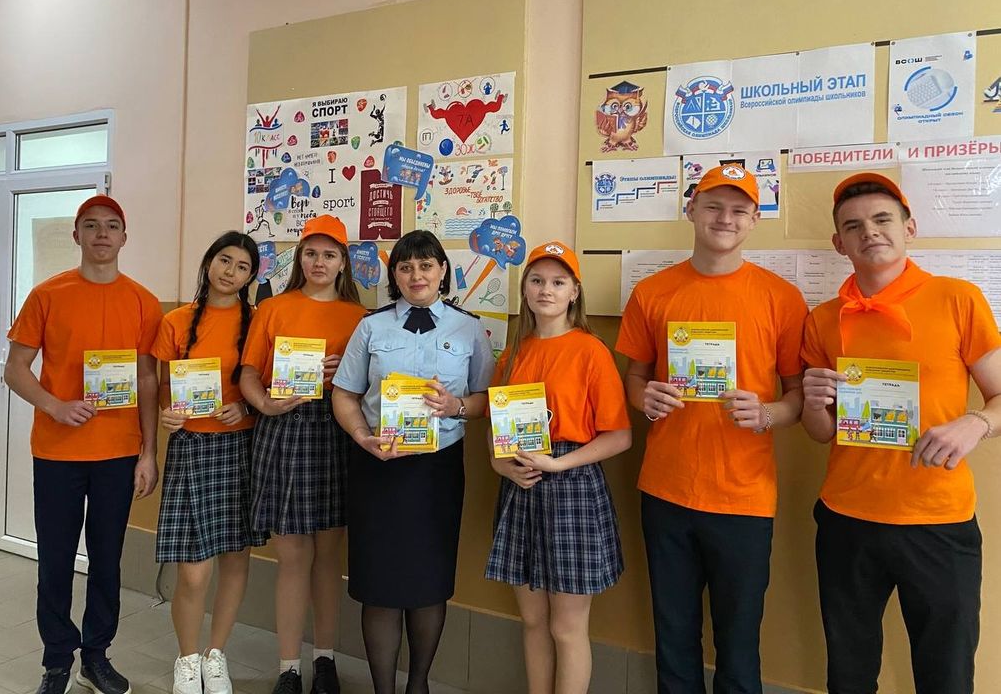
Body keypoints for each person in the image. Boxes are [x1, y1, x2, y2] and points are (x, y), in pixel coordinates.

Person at [801, 173, 1001, 694]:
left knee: (946, 674)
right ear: (839, 243)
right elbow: (821, 433)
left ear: (909, 228)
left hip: (938, 520)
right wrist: (814, 402)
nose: (869, 232)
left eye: (882, 219)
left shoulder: (957, 299)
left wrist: (975, 423)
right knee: (848, 673)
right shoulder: (824, 319)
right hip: (847, 519)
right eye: (853, 226)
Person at [615, 165, 807, 694]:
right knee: (673, 635)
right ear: (691, 210)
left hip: (744, 497)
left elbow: (796, 396)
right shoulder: (653, 292)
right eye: (713, 206)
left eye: (740, 210)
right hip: (666, 490)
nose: (726, 218)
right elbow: (634, 377)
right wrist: (644, 397)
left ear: (755, 219)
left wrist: (767, 413)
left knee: (739, 641)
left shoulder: (781, 297)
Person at [4, 195, 163, 694]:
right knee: (54, 561)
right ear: (76, 235)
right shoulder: (47, 295)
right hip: (58, 452)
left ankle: (96, 657)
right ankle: (56, 662)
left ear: (124, 236)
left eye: (111, 226)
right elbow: (15, 369)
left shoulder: (143, 301)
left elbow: (148, 380)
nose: (101, 234)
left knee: (107, 561)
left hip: (118, 451)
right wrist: (54, 406)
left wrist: (148, 452)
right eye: (91, 226)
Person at [332, 229, 495, 694]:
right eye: (405, 267)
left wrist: (457, 406)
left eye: (426, 265)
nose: (416, 275)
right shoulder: (371, 327)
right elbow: (344, 393)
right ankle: (383, 688)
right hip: (377, 467)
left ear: (443, 270)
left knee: (429, 581)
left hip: (436, 472)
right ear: (395, 276)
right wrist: (362, 437)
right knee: (379, 583)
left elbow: (487, 398)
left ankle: (418, 684)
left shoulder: (468, 328)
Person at [485, 241, 631, 694]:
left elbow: (619, 436)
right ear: (525, 289)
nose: (546, 290)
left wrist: (559, 462)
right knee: (532, 620)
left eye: (557, 281)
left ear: (574, 292)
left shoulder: (591, 351)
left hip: (573, 487)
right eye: (536, 280)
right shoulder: (512, 355)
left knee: (567, 627)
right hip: (522, 485)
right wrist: (502, 466)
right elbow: (495, 432)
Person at [239, 215, 367, 694]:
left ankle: (325, 660)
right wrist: (265, 403)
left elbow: (371, 386)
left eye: (329, 254)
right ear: (299, 257)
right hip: (283, 429)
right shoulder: (273, 308)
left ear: (343, 262)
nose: (319, 262)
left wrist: (344, 375)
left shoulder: (360, 317)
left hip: (337, 428)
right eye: (311, 253)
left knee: (329, 554)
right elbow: (248, 373)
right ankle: (289, 666)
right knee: (292, 555)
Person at [152, 231, 267, 694]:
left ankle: (215, 655)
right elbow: (164, 385)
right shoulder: (176, 321)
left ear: (250, 276)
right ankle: (187, 658)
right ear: (208, 262)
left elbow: (267, 383)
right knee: (193, 568)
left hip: (242, 446)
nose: (230, 272)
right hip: (191, 448)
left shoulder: (258, 321)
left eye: (242, 267)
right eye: (224, 260)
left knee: (236, 558)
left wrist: (246, 406)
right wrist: (167, 412)